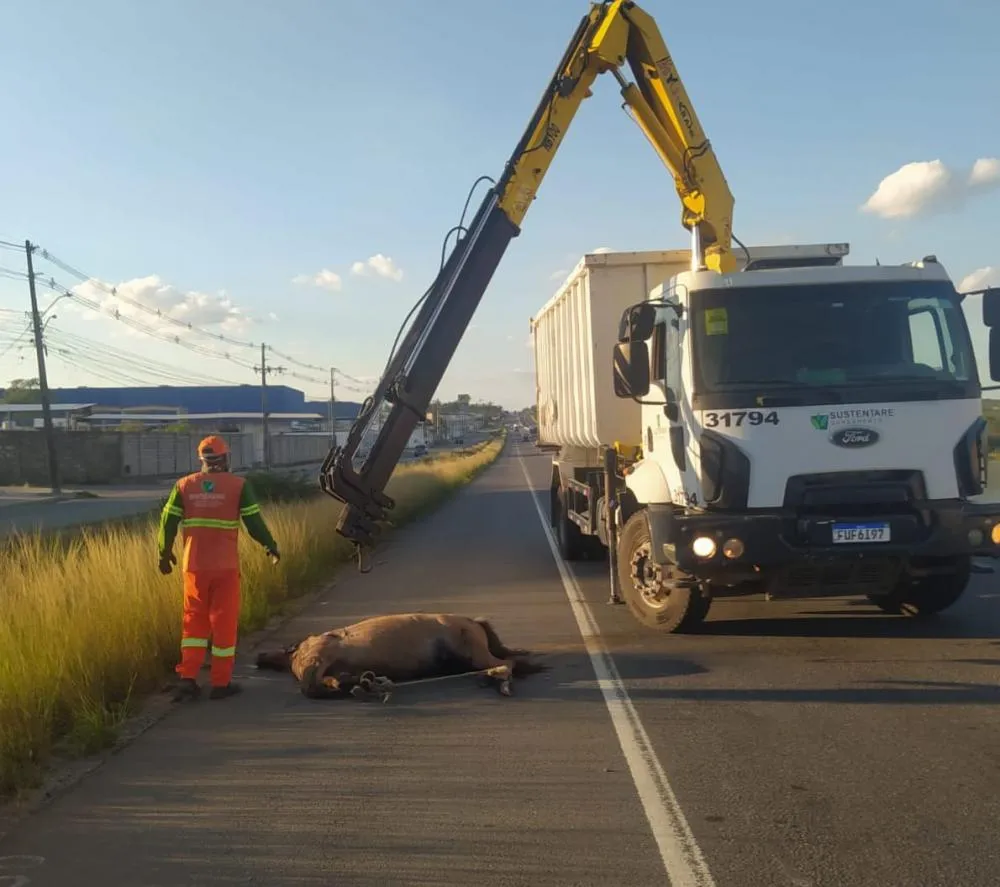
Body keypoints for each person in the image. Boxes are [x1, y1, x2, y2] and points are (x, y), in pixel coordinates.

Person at [157, 434, 280, 702]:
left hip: (194, 567)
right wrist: (270, 545)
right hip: (224, 568)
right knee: (223, 622)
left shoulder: (184, 485)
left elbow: (167, 522)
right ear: (226, 458)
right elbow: (254, 523)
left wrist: (164, 553)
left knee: (193, 621)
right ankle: (220, 683)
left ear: (201, 459)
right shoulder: (238, 486)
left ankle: (188, 678)